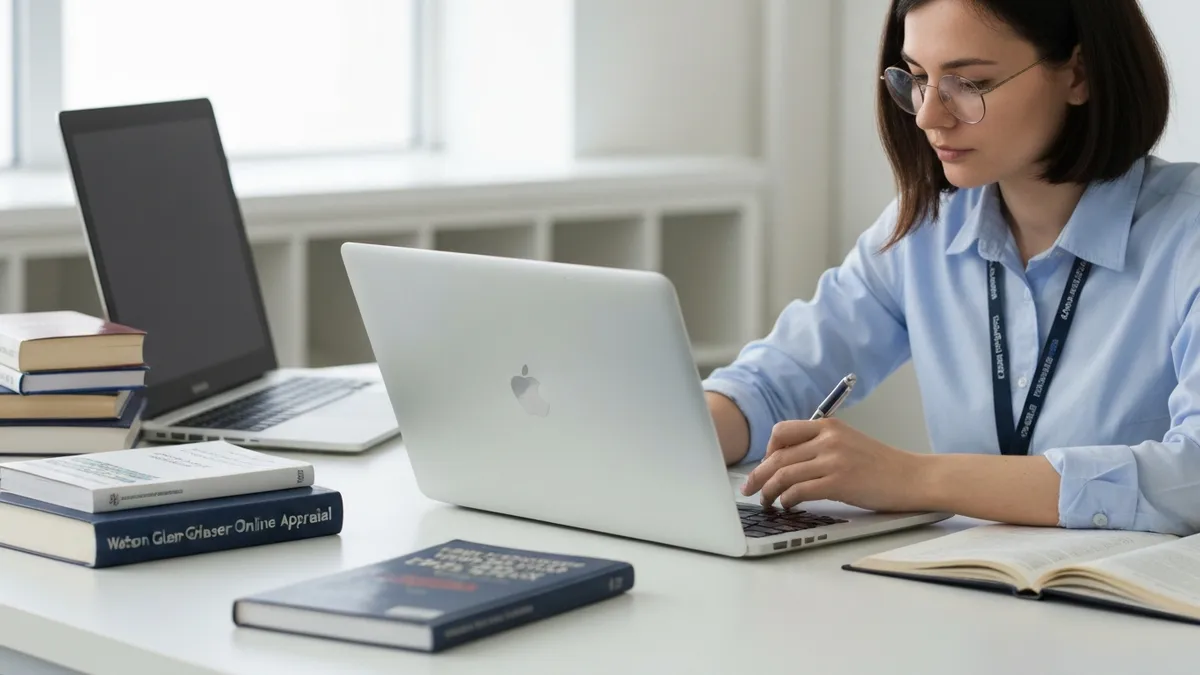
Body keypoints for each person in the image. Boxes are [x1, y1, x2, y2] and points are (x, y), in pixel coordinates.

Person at [702, 0, 1200, 536]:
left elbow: (1190, 476)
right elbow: (774, 383)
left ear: (1079, 74)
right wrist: (672, 434)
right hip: (959, 577)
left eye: (971, 83)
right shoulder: (926, 226)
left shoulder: (1186, 233)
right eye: (917, 78)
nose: (927, 116)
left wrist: (913, 478)